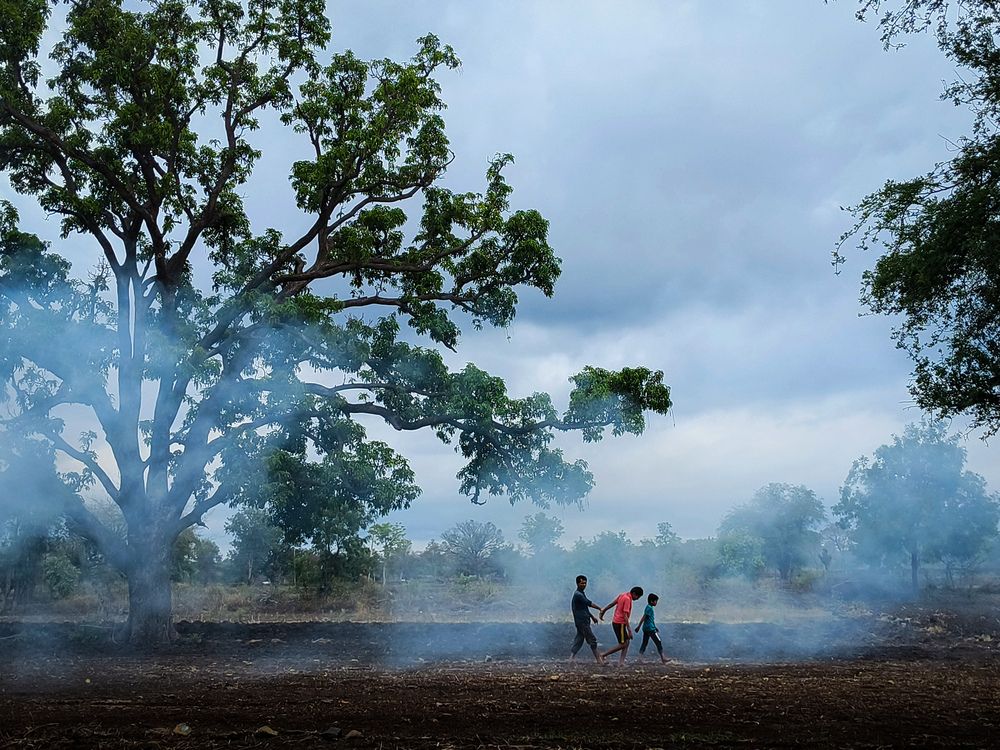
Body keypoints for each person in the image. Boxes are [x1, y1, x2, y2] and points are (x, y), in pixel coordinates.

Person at [599, 586, 643, 664]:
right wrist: (629, 630)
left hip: (617, 622)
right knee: (623, 644)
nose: (637, 599)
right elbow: (625, 615)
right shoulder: (627, 599)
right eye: (638, 597)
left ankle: (621, 662)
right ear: (634, 593)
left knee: (627, 642)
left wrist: (603, 611)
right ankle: (603, 655)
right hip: (620, 623)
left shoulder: (622, 595)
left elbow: (612, 604)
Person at [569, 574, 603, 663]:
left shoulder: (581, 593)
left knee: (579, 639)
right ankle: (599, 660)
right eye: (582, 583)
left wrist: (592, 617)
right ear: (577, 584)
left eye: (585, 583)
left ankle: (571, 659)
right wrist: (600, 608)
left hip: (582, 621)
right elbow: (588, 603)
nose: (584, 585)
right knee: (592, 639)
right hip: (582, 622)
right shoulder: (578, 595)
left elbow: (584, 608)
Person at [635, 593, 668, 663]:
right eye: (656, 601)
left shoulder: (648, 607)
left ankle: (639, 658)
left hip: (646, 628)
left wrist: (655, 627)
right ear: (651, 601)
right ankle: (663, 658)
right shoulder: (649, 608)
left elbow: (650, 619)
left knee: (644, 643)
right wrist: (638, 626)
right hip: (650, 629)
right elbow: (644, 617)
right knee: (658, 642)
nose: (656, 603)